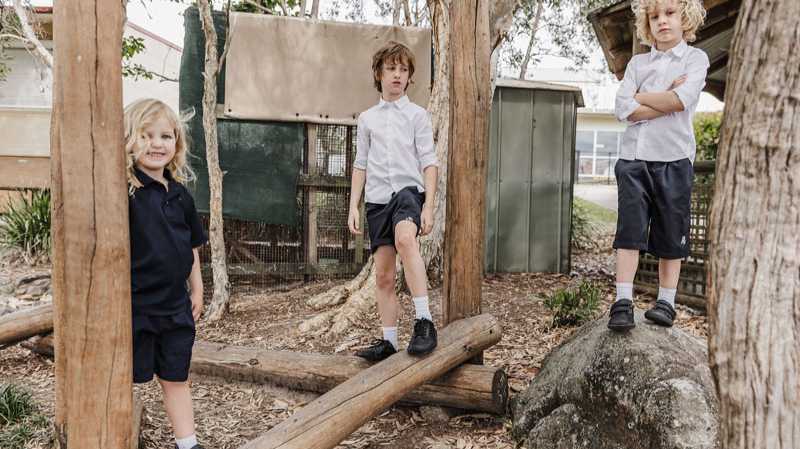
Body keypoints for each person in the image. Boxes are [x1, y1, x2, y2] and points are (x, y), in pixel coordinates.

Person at [608, 0, 708, 330]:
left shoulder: (696, 59)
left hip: (675, 160)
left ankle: (666, 302)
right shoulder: (637, 64)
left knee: (671, 234)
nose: (662, 21)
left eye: (669, 14)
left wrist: (641, 97)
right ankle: (623, 300)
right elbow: (622, 110)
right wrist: (663, 98)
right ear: (647, 23)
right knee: (629, 232)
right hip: (634, 160)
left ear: (685, 18)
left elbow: (682, 100)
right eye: (654, 16)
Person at [348, 41, 439, 360]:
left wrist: (428, 206)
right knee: (384, 274)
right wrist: (353, 207)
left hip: (407, 194)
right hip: (376, 202)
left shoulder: (417, 116)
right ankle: (389, 342)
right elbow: (361, 163)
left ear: (409, 76)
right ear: (378, 72)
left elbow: (429, 162)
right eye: (391, 68)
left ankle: (425, 323)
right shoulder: (367, 119)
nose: (397, 74)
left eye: (403, 69)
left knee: (406, 240)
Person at [125, 98, 207, 449]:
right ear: (129, 140)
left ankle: (186, 444)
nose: (157, 144)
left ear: (177, 143)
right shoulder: (125, 192)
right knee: (122, 377)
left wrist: (198, 288)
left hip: (175, 308)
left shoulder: (182, 196)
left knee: (176, 378)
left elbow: (192, 246)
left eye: (165, 136)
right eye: (145, 136)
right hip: (134, 308)